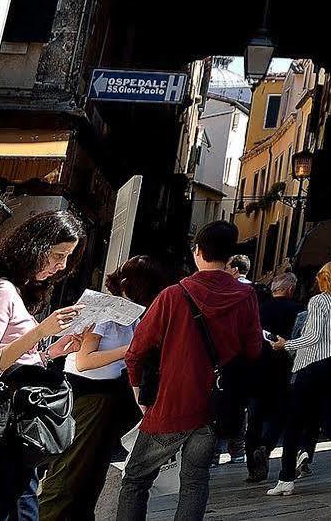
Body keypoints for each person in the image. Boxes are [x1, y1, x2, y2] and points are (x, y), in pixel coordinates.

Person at [118, 220, 262, 521]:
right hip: (214, 406)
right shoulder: (246, 296)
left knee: (135, 479)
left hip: (172, 404)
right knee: (195, 481)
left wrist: (139, 394)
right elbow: (253, 351)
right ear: (229, 256)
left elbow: (136, 353)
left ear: (197, 252)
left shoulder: (173, 295)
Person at [0, 209, 87, 521]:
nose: (61, 266)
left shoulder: (12, 291)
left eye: (67, 257)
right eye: (57, 255)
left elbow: (12, 361)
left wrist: (50, 352)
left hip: (14, 428)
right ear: (34, 246)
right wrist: (40, 332)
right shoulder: (1, 292)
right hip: (1, 428)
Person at [39, 255, 166, 521]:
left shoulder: (131, 313)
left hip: (108, 395)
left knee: (91, 471)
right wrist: (131, 350)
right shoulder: (104, 312)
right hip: (86, 395)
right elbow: (85, 361)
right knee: (71, 471)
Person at [267, 261, 331, 494]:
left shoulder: (318, 301)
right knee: (330, 419)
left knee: (293, 422)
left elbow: (312, 336)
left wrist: (286, 344)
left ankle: (286, 479)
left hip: (312, 366)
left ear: (326, 278)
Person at [243, 272, 301, 482]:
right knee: (280, 415)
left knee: (254, 418)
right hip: (284, 369)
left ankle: (253, 467)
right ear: (291, 289)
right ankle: (265, 446)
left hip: (256, 367)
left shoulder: (258, 310)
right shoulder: (298, 310)